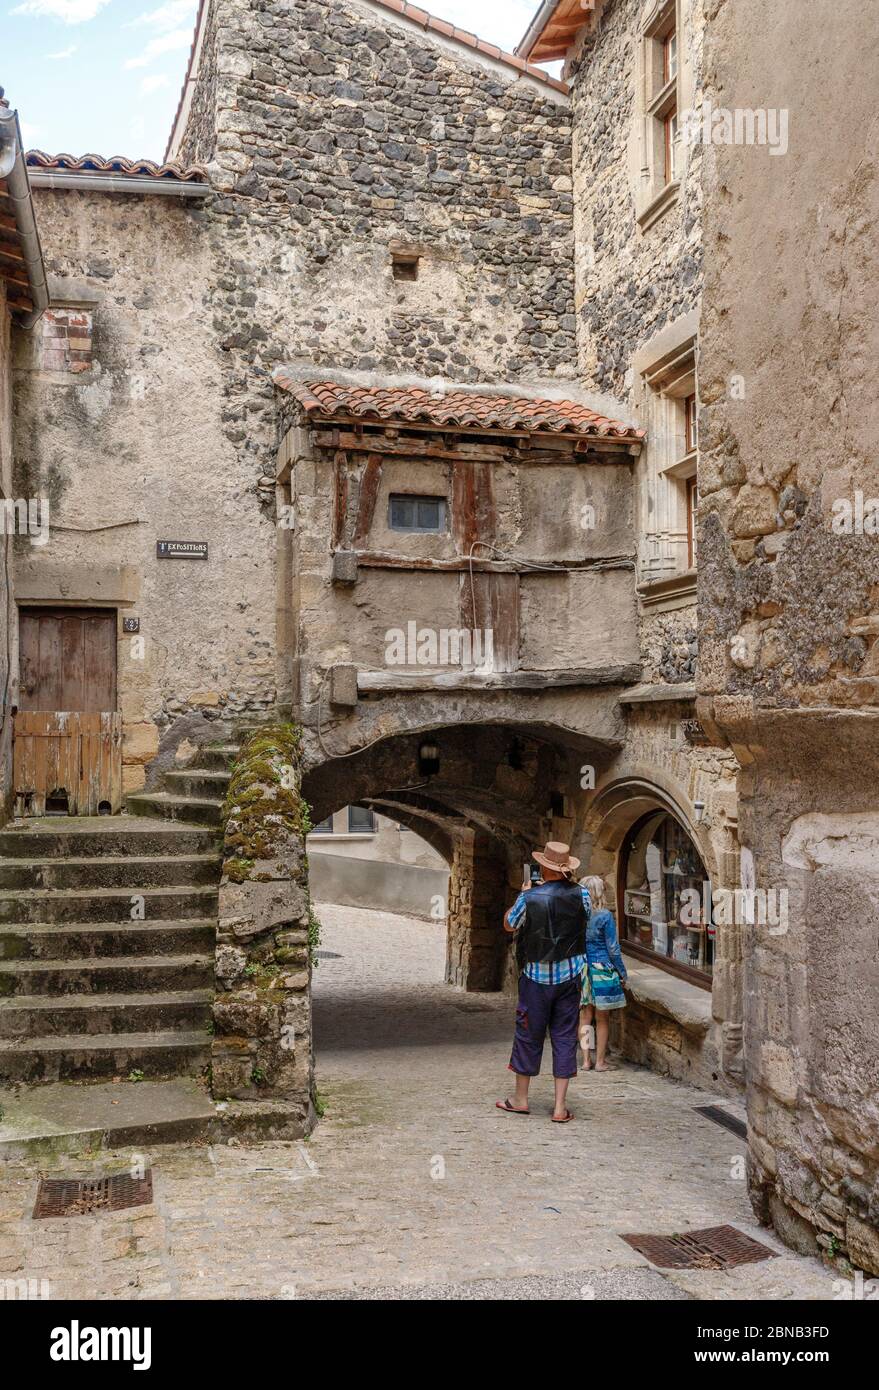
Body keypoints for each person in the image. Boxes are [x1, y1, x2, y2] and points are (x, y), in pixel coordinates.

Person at [496, 841, 591, 1123]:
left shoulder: (530, 898)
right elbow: (582, 920)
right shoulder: (582, 895)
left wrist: (522, 895)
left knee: (528, 1035)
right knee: (564, 1037)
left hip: (536, 977)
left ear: (543, 868)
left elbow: (509, 924)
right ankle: (560, 1107)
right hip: (570, 976)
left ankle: (521, 1099)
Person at [578, 874, 628, 1072]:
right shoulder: (605, 916)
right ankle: (600, 1061)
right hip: (602, 970)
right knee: (602, 1019)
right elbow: (613, 949)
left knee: (584, 1018)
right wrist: (622, 972)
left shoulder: (577, 916)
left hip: (582, 969)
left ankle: (585, 1060)